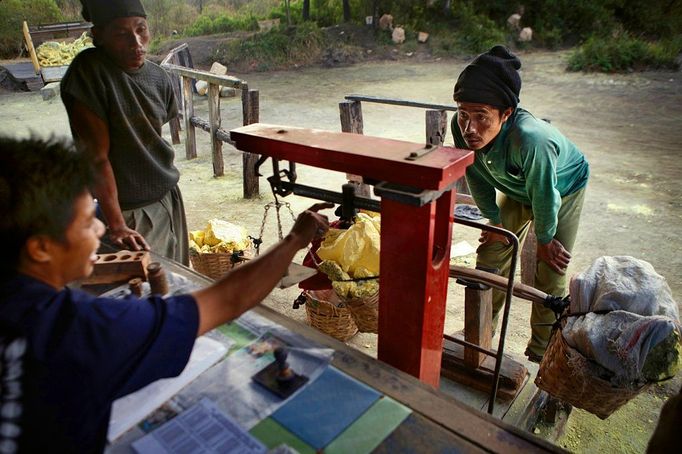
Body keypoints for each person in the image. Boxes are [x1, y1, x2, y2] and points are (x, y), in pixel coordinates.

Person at [0, 135, 331, 453]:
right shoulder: (81, 331)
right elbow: (227, 300)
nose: (101, 229)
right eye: (89, 222)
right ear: (41, 248)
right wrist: (294, 240)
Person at [451, 45, 590, 362]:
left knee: (551, 267)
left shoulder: (531, 139)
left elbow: (545, 193)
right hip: (518, 187)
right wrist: (494, 221)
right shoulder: (460, 127)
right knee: (490, 253)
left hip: (563, 187)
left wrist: (544, 239)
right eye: (463, 114)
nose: (469, 128)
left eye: (482, 117)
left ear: (506, 114)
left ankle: (543, 352)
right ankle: (481, 336)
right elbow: (475, 173)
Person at [61, 0, 189, 264]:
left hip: (168, 196)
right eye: (121, 34)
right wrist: (117, 224)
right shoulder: (90, 72)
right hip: (130, 212)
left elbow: (150, 137)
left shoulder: (158, 77)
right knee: (146, 292)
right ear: (98, 36)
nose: (135, 42)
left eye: (141, 29)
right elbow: (96, 158)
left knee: (176, 277)